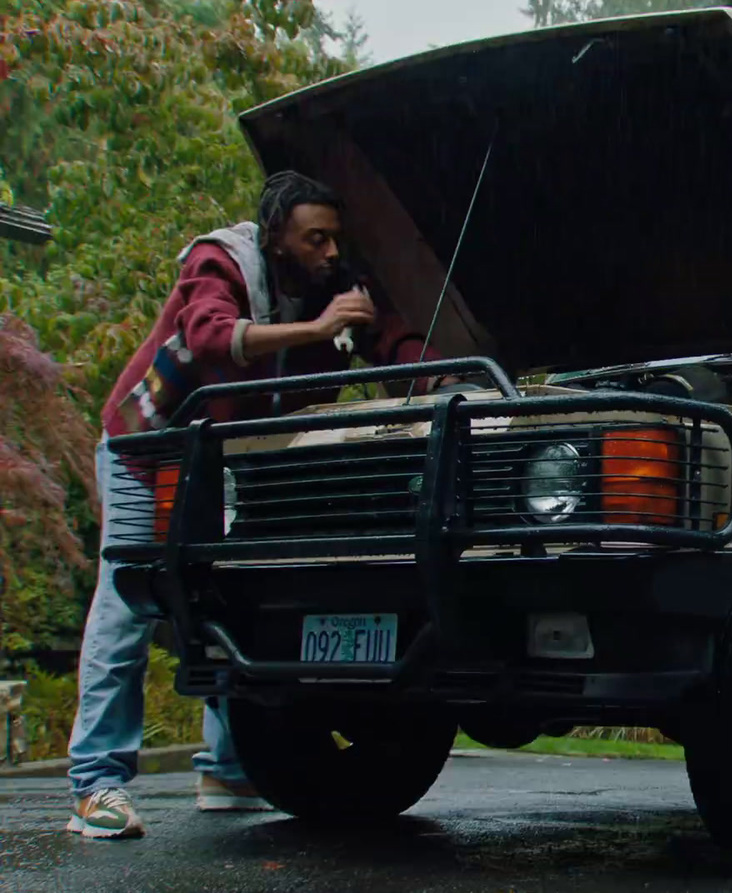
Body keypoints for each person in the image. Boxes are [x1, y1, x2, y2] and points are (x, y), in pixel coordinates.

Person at [67, 171, 455, 839]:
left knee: (234, 596)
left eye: (336, 239)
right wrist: (318, 328)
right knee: (128, 601)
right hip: (150, 452)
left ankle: (227, 767)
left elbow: (389, 336)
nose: (332, 253)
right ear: (277, 237)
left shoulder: (329, 286)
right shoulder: (219, 261)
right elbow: (212, 334)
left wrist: (439, 374)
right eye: (316, 239)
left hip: (234, 459)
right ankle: (95, 783)